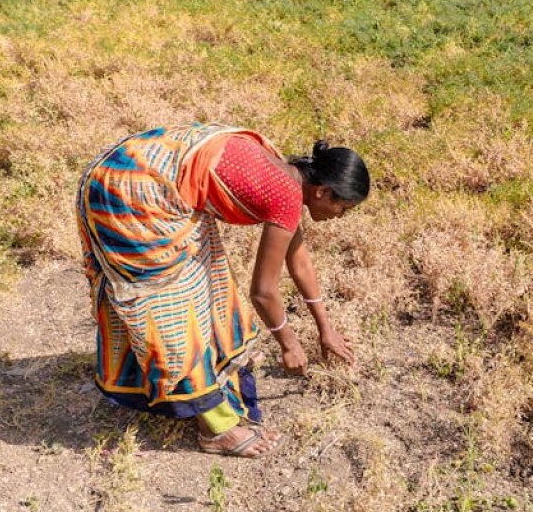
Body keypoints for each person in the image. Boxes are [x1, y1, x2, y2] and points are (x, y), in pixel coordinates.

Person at [75, 123, 368, 457]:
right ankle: (214, 430)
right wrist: (289, 345)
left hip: (136, 172)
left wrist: (325, 328)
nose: (340, 217)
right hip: (130, 194)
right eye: (343, 208)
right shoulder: (286, 195)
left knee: (209, 288)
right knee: (171, 307)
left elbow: (298, 261)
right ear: (322, 192)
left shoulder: (286, 175)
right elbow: (262, 292)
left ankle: (201, 384)